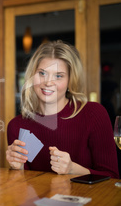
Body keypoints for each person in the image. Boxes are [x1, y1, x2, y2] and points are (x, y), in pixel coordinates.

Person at [6, 40, 119, 178]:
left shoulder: (94, 114)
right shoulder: (16, 126)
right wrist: (17, 168)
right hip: (37, 200)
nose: (48, 82)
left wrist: (73, 169)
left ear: (70, 81)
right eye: (42, 73)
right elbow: (24, 188)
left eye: (58, 76)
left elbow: (111, 178)